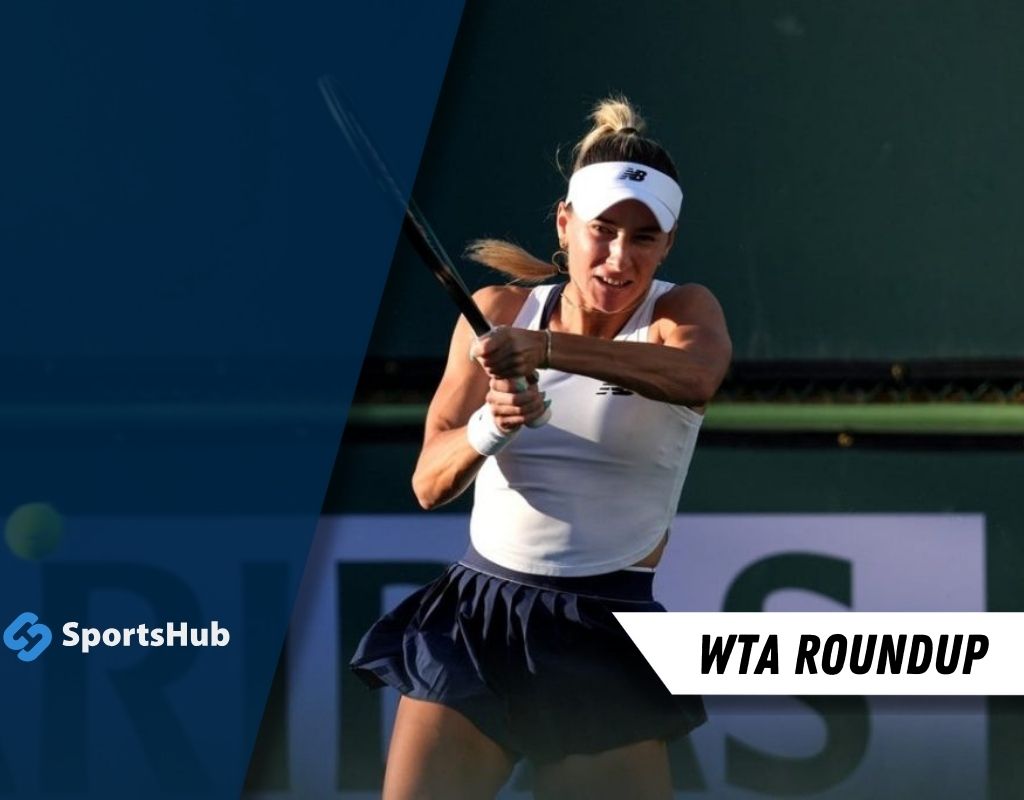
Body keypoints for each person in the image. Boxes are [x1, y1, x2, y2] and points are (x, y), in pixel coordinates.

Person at [351, 96, 732, 800]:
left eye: (644, 237)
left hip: (604, 629)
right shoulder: (498, 311)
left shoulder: (683, 312)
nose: (620, 257)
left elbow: (698, 377)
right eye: (603, 230)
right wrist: (491, 426)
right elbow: (429, 483)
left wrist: (550, 349)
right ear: (565, 224)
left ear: (669, 244)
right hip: (473, 617)